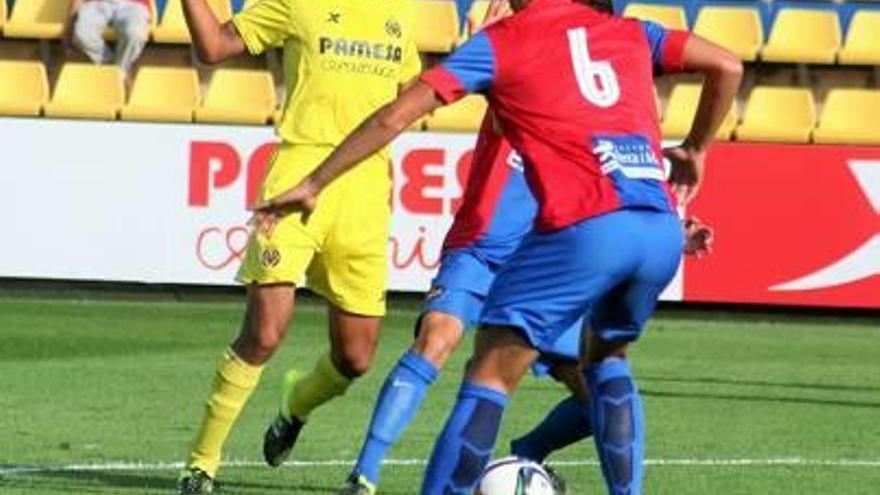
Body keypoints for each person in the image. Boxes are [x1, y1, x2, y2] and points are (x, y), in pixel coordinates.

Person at [251, 0, 741, 492]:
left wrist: (315, 182)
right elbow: (727, 64)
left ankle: (471, 476)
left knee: (490, 374)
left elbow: (393, 117)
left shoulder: (507, 41)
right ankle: (370, 473)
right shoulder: (630, 34)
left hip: (580, 235)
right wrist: (696, 149)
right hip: (648, 230)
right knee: (607, 360)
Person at [173, 0, 421, 493]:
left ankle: (295, 407)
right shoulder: (295, 3)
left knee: (355, 359)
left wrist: (477, 46)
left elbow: (413, 93)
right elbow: (214, 46)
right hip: (294, 180)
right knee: (265, 333)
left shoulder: (401, 12)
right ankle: (201, 464)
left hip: (366, 193)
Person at [64, 0, 152, 76]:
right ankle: (115, 70)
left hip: (134, 5)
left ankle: (119, 71)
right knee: (81, 33)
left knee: (134, 33)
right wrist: (68, 29)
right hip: (96, 4)